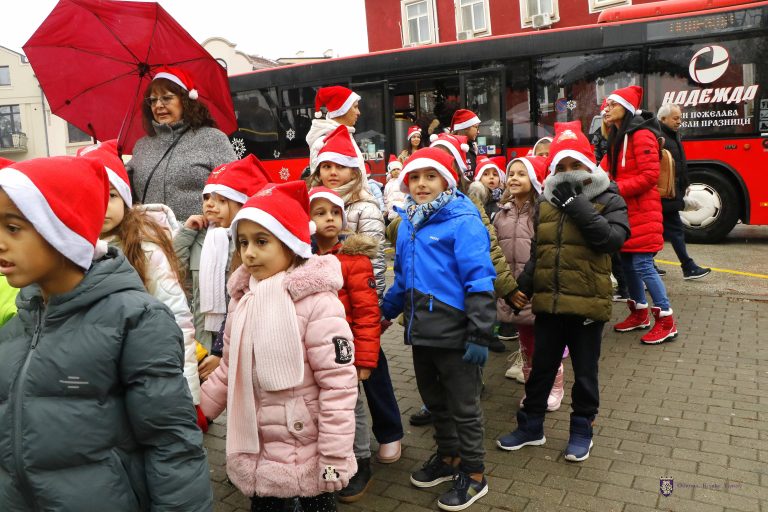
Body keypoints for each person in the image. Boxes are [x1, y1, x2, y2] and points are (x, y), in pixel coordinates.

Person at [0, 156, 213, 510]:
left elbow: (172, 446)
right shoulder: (16, 327)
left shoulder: (135, 321)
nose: (0, 241)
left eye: (13, 228)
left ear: (61, 228)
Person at [199, 181, 358, 512]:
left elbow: (338, 386)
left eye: (261, 241)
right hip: (259, 449)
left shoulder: (318, 303)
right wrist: (200, 412)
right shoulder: (243, 299)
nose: (249, 253)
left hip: (308, 451)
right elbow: (229, 369)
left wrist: (334, 456)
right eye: (243, 242)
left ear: (290, 243)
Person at [496, 122, 629, 462]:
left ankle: (582, 430)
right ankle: (531, 427)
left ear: (589, 164)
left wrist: (577, 205)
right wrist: (522, 289)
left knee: (585, 374)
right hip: (549, 304)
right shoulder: (547, 201)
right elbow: (539, 251)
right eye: (562, 166)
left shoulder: (608, 196)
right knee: (541, 369)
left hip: (586, 305)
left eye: (576, 164)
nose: (569, 172)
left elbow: (612, 240)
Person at [382, 147, 494, 511]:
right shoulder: (408, 223)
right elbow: (402, 280)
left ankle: (474, 474)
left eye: (430, 176)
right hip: (421, 334)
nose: (421, 184)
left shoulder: (463, 220)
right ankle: (449, 457)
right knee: (435, 403)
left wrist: (479, 333)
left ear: (447, 180)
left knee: (465, 408)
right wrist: (383, 314)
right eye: (414, 177)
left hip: (456, 335)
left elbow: (480, 280)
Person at [307, 124, 404, 464]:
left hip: (360, 307)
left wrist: (374, 312)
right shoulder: (309, 201)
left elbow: (374, 263)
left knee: (373, 370)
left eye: (340, 166)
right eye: (326, 166)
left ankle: (390, 432)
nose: (332, 172)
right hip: (323, 316)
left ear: (355, 169)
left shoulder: (365, 206)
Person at [83, 140, 201, 408]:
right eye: (91, 194)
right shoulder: (69, 253)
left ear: (125, 198)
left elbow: (176, 318)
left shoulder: (145, 249)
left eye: (112, 195)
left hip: (145, 370)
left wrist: (188, 393)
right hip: (94, 380)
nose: (102, 204)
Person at [309, 187, 382, 502]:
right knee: (321, 407)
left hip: (345, 350)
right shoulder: (302, 257)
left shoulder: (354, 259)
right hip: (314, 350)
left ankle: (361, 460)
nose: (329, 218)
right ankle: (328, 463)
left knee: (351, 406)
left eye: (335, 212)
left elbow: (367, 313)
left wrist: (364, 359)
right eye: (320, 212)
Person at [174, 155, 272, 371]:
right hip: (201, 334)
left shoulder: (246, 243)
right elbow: (173, 269)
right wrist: (186, 233)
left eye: (221, 200)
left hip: (235, 335)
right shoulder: (199, 236)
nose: (210, 204)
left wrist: (221, 353)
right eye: (206, 198)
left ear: (241, 203)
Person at [602, 86, 679, 344]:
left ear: (625, 107)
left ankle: (667, 321)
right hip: (625, 211)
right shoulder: (617, 135)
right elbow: (603, 170)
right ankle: (639, 314)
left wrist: (615, 188)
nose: (607, 109)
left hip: (643, 211)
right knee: (627, 264)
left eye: (612, 104)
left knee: (643, 265)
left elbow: (649, 177)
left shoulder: (641, 134)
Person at [494, 155, 564, 411]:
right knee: (526, 344)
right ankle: (533, 389)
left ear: (535, 179)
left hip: (538, 289)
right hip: (513, 291)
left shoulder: (543, 212)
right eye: (511, 173)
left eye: (521, 174)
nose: (514, 178)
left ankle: (555, 387)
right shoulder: (501, 214)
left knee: (545, 345)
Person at [127, 67, 237, 222]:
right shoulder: (141, 146)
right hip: (151, 235)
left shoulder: (213, 139)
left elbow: (235, 190)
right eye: (153, 100)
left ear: (185, 100)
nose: (158, 105)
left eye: (166, 98)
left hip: (201, 234)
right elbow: (129, 196)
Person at [657, 103, 711, 280]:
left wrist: (685, 184)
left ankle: (646, 263)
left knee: (659, 231)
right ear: (663, 119)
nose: (679, 121)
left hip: (672, 192)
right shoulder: (659, 137)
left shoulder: (673, 135)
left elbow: (680, 165)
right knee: (675, 230)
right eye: (675, 118)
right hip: (665, 194)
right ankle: (688, 267)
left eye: (680, 117)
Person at [306, 85, 364, 173]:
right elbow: (320, 180)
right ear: (343, 110)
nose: (358, 112)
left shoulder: (346, 134)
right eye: (355, 107)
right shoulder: (323, 143)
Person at [450, 109, 481, 180]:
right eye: (476, 127)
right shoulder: (451, 148)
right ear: (465, 128)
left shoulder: (472, 147)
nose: (478, 131)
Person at [384, 156, 406, 222]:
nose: (396, 171)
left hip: (402, 211)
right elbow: (386, 198)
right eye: (393, 170)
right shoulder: (388, 184)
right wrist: (386, 210)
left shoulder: (403, 182)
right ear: (390, 172)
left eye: (398, 169)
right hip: (391, 212)